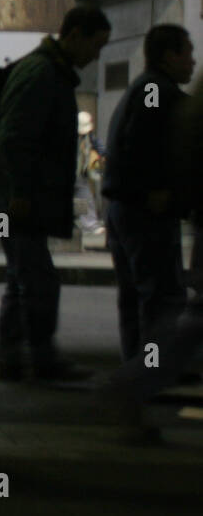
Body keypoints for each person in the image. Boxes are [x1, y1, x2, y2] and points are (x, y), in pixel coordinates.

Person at [0, 4, 111, 382]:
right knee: (38, 280)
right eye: (96, 45)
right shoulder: (42, 73)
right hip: (14, 203)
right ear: (74, 35)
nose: (97, 55)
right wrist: (21, 193)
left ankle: (11, 359)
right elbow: (15, 137)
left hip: (9, 200)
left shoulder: (47, 71)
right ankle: (41, 360)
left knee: (21, 277)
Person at [102, 24, 194, 363]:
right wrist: (152, 191)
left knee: (137, 297)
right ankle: (151, 369)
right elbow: (141, 138)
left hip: (125, 209)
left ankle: (138, 366)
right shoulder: (154, 91)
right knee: (160, 298)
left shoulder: (145, 88)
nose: (193, 62)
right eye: (189, 53)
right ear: (170, 56)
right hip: (144, 213)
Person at [75, 111, 106, 234]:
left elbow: (99, 146)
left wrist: (103, 155)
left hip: (80, 174)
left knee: (87, 198)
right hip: (67, 175)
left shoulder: (89, 137)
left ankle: (91, 225)